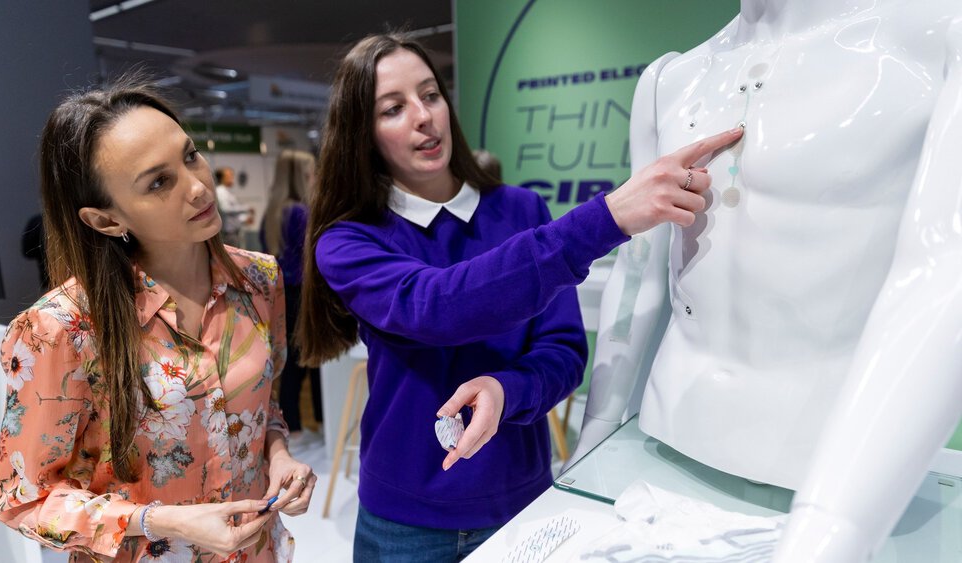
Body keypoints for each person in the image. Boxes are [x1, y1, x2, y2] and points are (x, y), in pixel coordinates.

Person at [296, 32, 741, 561]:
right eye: (393, 108)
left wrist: (508, 390)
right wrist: (607, 218)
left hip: (519, 499)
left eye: (431, 94)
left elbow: (563, 351)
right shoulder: (349, 241)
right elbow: (436, 306)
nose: (423, 116)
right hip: (404, 521)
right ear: (362, 134)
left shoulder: (521, 210)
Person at [571, 2, 962, 561]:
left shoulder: (935, 36)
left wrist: (834, 528)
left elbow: (942, 274)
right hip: (669, 436)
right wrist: (597, 433)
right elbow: (639, 267)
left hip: (824, 465)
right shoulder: (670, 79)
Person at [0, 77, 318, 562]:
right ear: (106, 220)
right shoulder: (61, 329)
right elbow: (23, 499)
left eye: (191, 156)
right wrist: (159, 520)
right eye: (159, 182)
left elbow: (264, 407)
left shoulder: (258, 279)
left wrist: (279, 455)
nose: (199, 186)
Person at [259, 149, 323, 434]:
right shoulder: (300, 213)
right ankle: (320, 423)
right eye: (310, 175)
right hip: (305, 296)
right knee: (315, 360)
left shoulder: (271, 215)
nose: (314, 179)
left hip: (283, 296)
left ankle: (294, 426)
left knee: (292, 366)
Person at [215, 166, 253, 247]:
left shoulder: (227, 192)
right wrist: (246, 208)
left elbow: (232, 216)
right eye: (229, 176)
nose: (232, 178)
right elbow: (225, 209)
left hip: (233, 233)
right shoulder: (220, 191)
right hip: (228, 234)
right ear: (222, 178)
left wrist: (244, 220)